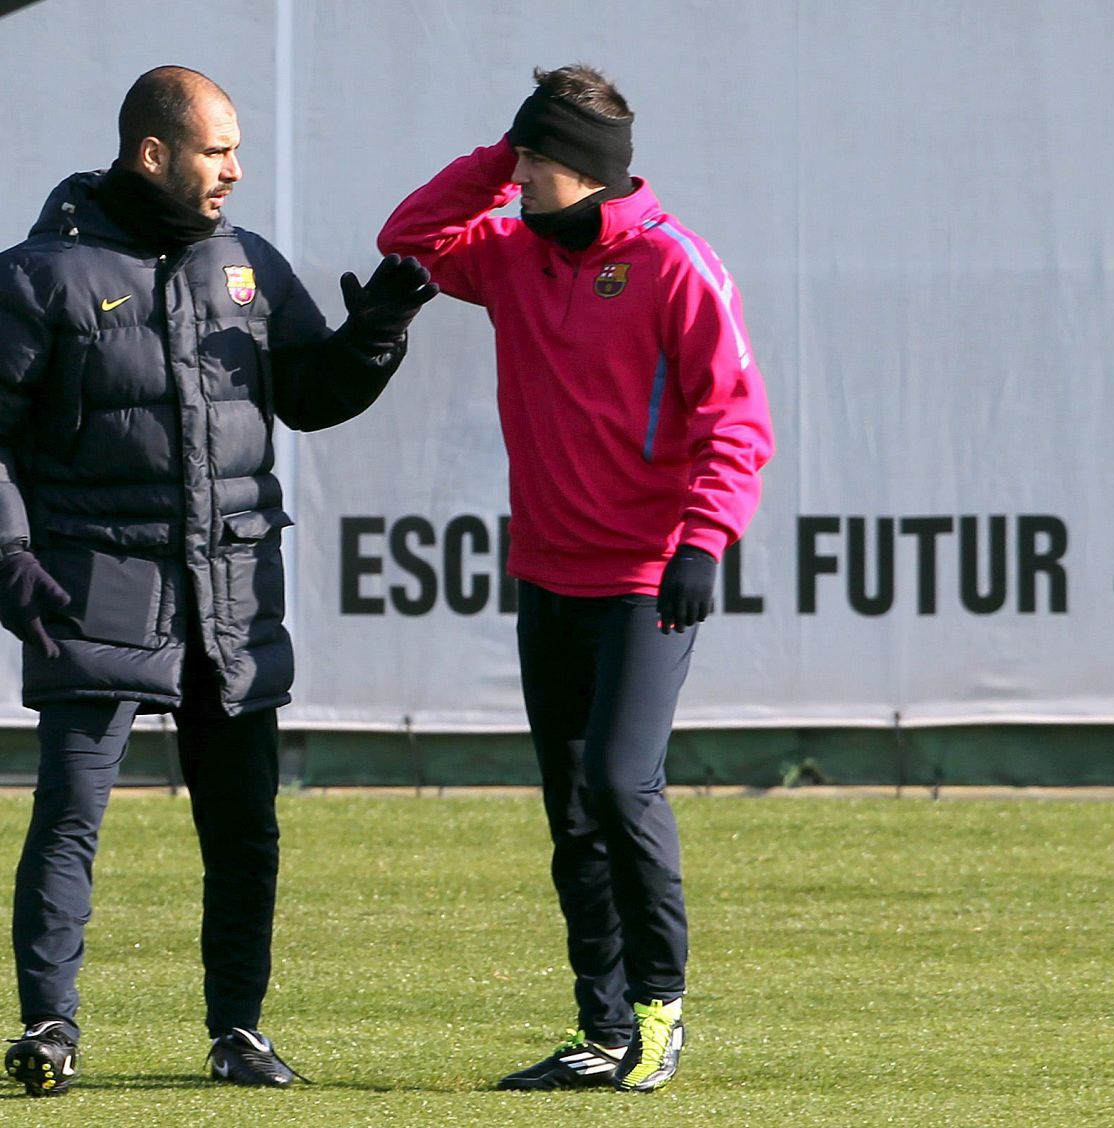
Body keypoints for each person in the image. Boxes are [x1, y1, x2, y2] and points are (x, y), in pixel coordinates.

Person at [0, 65, 437, 1096]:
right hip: (92, 583)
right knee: (70, 816)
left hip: (233, 596)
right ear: (153, 154)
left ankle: (237, 1033)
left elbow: (308, 396)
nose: (234, 172)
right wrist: (7, 552)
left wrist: (376, 334)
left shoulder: (248, 267)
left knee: (244, 828)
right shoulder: (39, 275)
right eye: (216, 151)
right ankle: (48, 1029)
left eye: (237, 149)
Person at [378, 64, 772, 1093]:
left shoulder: (674, 266)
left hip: (646, 578)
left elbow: (735, 422)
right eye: (510, 158)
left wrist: (702, 541)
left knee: (617, 781)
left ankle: (658, 1010)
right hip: (548, 575)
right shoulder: (511, 253)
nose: (510, 180)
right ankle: (600, 1028)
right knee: (570, 809)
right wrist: (494, 157)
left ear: (579, 169)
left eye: (529, 161)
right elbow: (409, 238)